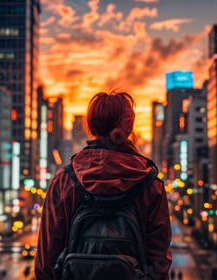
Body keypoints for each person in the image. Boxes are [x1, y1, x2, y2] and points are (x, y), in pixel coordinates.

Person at [35, 91, 172, 280]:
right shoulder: (151, 185)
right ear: (129, 127)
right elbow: (159, 263)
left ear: (91, 126)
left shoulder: (64, 181)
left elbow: (45, 266)